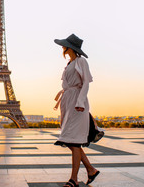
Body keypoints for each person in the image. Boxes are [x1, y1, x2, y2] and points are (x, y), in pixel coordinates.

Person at [53, 34, 100, 187]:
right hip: (68, 101)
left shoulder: (81, 61)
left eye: (64, 44)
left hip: (77, 102)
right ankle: (91, 170)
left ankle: (73, 179)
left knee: (74, 141)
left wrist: (80, 101)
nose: (62, 47)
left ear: (70, 47)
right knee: (71, 140)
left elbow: (86, 82)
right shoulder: (69, 64)